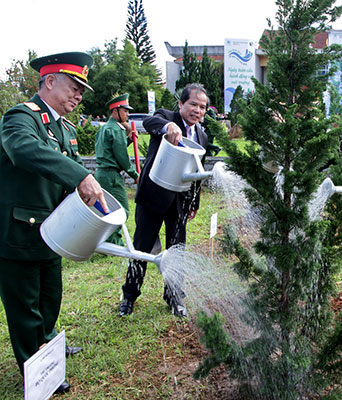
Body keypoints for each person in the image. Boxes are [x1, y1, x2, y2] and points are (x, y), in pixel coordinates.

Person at [0, 52, 108, 394]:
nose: (78, 97)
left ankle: (47, 345)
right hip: (19, 229)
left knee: (50, 297)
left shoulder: (64, 128)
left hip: (52, 230)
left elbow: (63, 176)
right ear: (49, 82)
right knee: (25, 305)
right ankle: (35, 368)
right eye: (74, 88)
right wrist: (80, 175)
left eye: (81, 92)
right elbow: (25, 152)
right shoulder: (21, 118)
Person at [119, 83, 209, 318]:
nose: (197, 111)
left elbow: (197, 173)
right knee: (142, 248)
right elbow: (150, 121)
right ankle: (129, 296)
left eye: (202, 107)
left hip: (179, 204)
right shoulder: (166, 118)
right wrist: (168, 126)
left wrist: (194, 203)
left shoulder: (202, 136)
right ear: (181, 104)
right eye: (193, 104)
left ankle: (174, 295)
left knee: (177, 249)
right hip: (153, 199)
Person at [94, 93, 139, 245]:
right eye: (125, 110)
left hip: (100, 174)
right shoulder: (116, 129)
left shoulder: (104, 128)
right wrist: (134, 175)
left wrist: (128, 140)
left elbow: (111, 150)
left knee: (106, 209)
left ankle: (105, 241)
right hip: (112, 176)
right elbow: (122, 157)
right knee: (121, 210)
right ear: (116, 110)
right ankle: (114, 243)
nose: (128, 114)